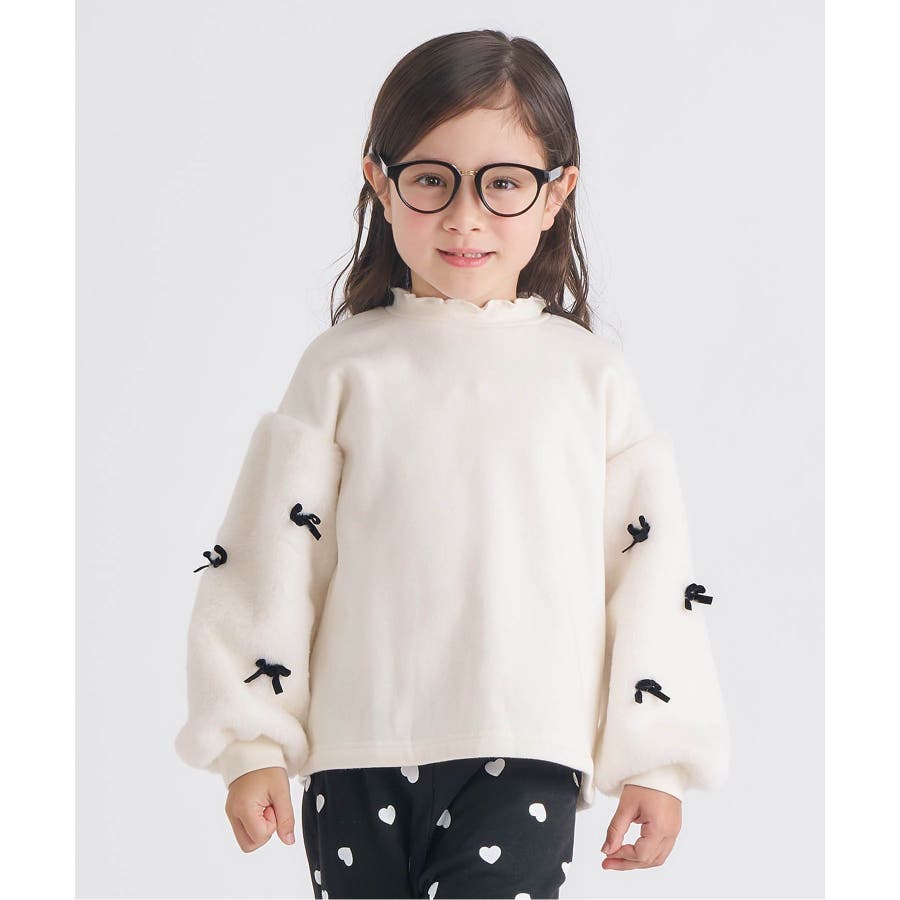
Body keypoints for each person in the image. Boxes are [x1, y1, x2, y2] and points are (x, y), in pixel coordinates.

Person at [174, 28, 730, 900]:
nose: (465, 217)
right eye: (432, 179)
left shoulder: (593, 380)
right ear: (380, 183)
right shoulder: (341, 368)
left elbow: (651, 573)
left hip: (528, 756)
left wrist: (659, 762)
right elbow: (271, 559)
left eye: (503, 183)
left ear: (556, 193)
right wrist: (250, 743)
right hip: (354, 760)